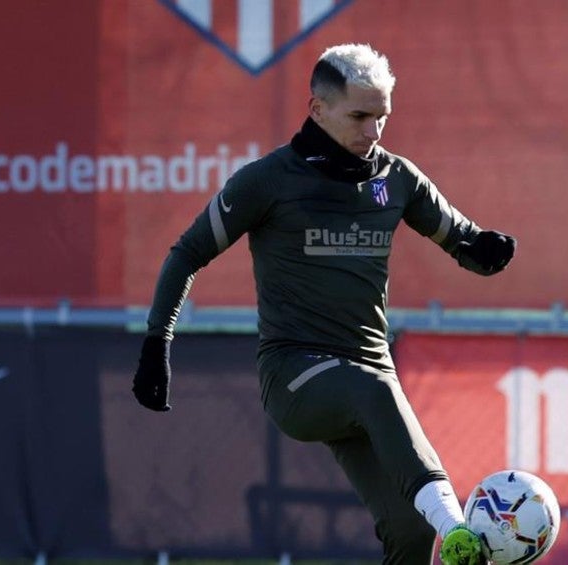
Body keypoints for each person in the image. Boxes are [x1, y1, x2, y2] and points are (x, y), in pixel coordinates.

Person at [132, 43, 516, 565]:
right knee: (377, 392)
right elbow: (187, 253)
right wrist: (158, 341)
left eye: (382, 117)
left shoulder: (396, 179)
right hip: (294, 376)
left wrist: (487, 252)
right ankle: (458, 531)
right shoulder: (268, 180)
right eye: (360, 116)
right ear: (318, 109)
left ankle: (437, 531)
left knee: (407, 527)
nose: (374, 132)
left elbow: (464, 242)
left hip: (364, 377)